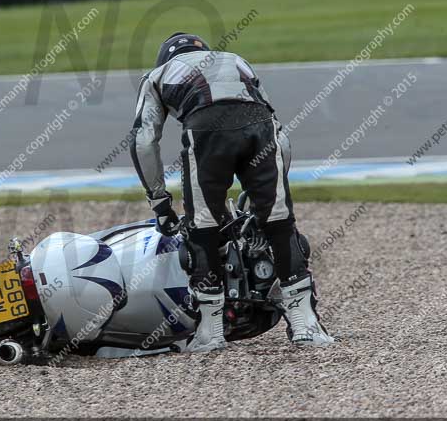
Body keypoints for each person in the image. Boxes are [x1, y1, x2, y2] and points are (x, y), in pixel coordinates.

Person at [129, 33, 335, 352]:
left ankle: (211, 331)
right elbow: (279, 134)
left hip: (206, 127)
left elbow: (143, 141)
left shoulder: (156, 76)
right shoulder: (236, 60)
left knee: (203, 228)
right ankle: (305, 322)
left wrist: (159, 203)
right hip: (259, 127)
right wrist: (261, 199)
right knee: (279, 223)